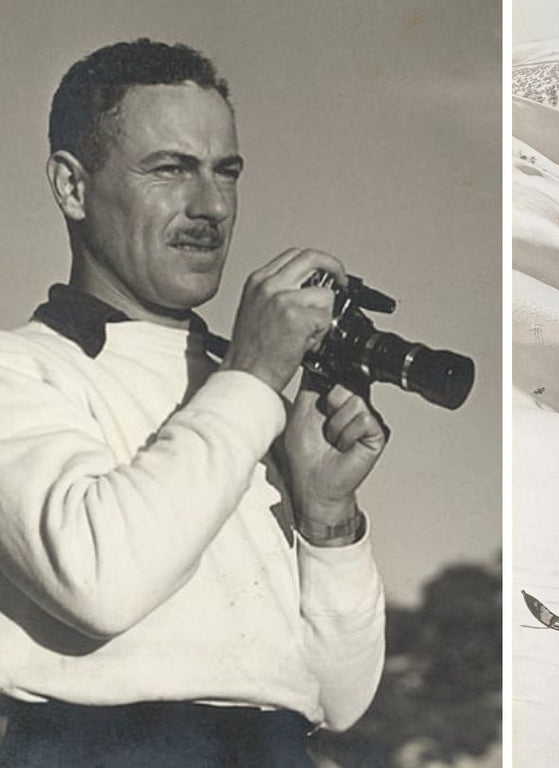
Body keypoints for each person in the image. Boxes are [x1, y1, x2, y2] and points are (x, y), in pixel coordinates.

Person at [0, 39, 388, 766]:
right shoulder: (21, 370)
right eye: (170, 169)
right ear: (72, 187)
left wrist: (328, 520)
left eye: (225, 172)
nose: (209, 206)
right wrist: (248, 378)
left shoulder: (240, 390)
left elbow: (340, 699)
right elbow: (100, 582)